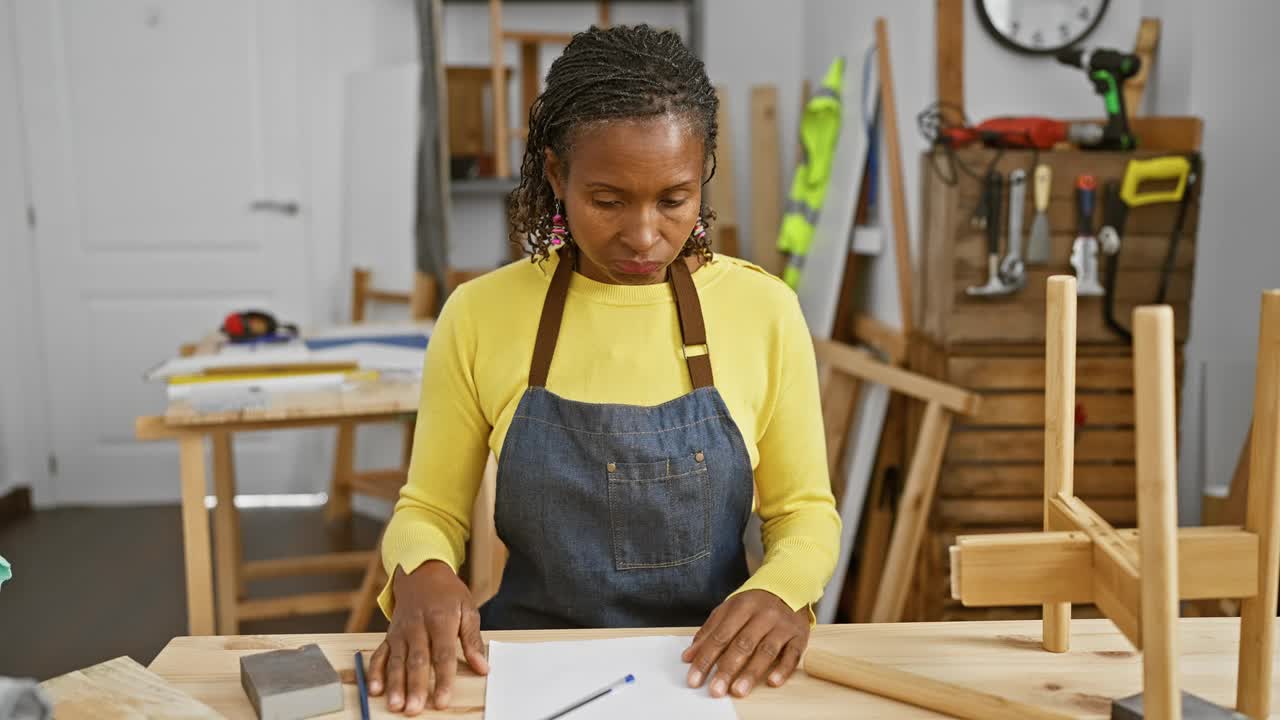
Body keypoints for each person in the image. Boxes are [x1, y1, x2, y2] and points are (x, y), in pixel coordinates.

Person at [366, 24, 841, 714]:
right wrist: (422, 570)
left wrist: (780, 591)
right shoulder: (480, 314)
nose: (644, 235)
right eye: (609, 201)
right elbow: (429, 509)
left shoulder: (764, 310)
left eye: (673, 200)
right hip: (527, 669)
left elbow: (804, 514)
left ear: (702, 173)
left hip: (706, 668)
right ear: (558, 175)